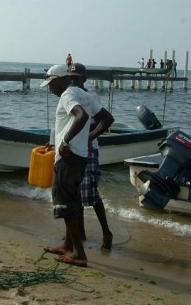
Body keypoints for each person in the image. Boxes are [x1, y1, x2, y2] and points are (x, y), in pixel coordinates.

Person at [39, 64, 112, 267]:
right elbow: (107, 119)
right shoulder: (84, 94)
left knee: (65, 204)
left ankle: (79, 253)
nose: (50, 89)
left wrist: (65, 142)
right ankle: (68, 245)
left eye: (51, 84)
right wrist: (86, 138)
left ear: (60, 80)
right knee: (73, 201)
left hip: (69, 158)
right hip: (80, 157)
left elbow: (82, 116)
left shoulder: (67, 95)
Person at [68, 63, 115, 250]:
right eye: (71, 78)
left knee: (91, 194)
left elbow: (104, 120)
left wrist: (90, 138)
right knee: (76, 195)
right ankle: (81, 233)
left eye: (77, 78)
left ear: (84, 79)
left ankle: (106, 232)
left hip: (88, 150)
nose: (74, 81)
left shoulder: (90, 97)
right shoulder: (69, 97)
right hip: (73, 150)